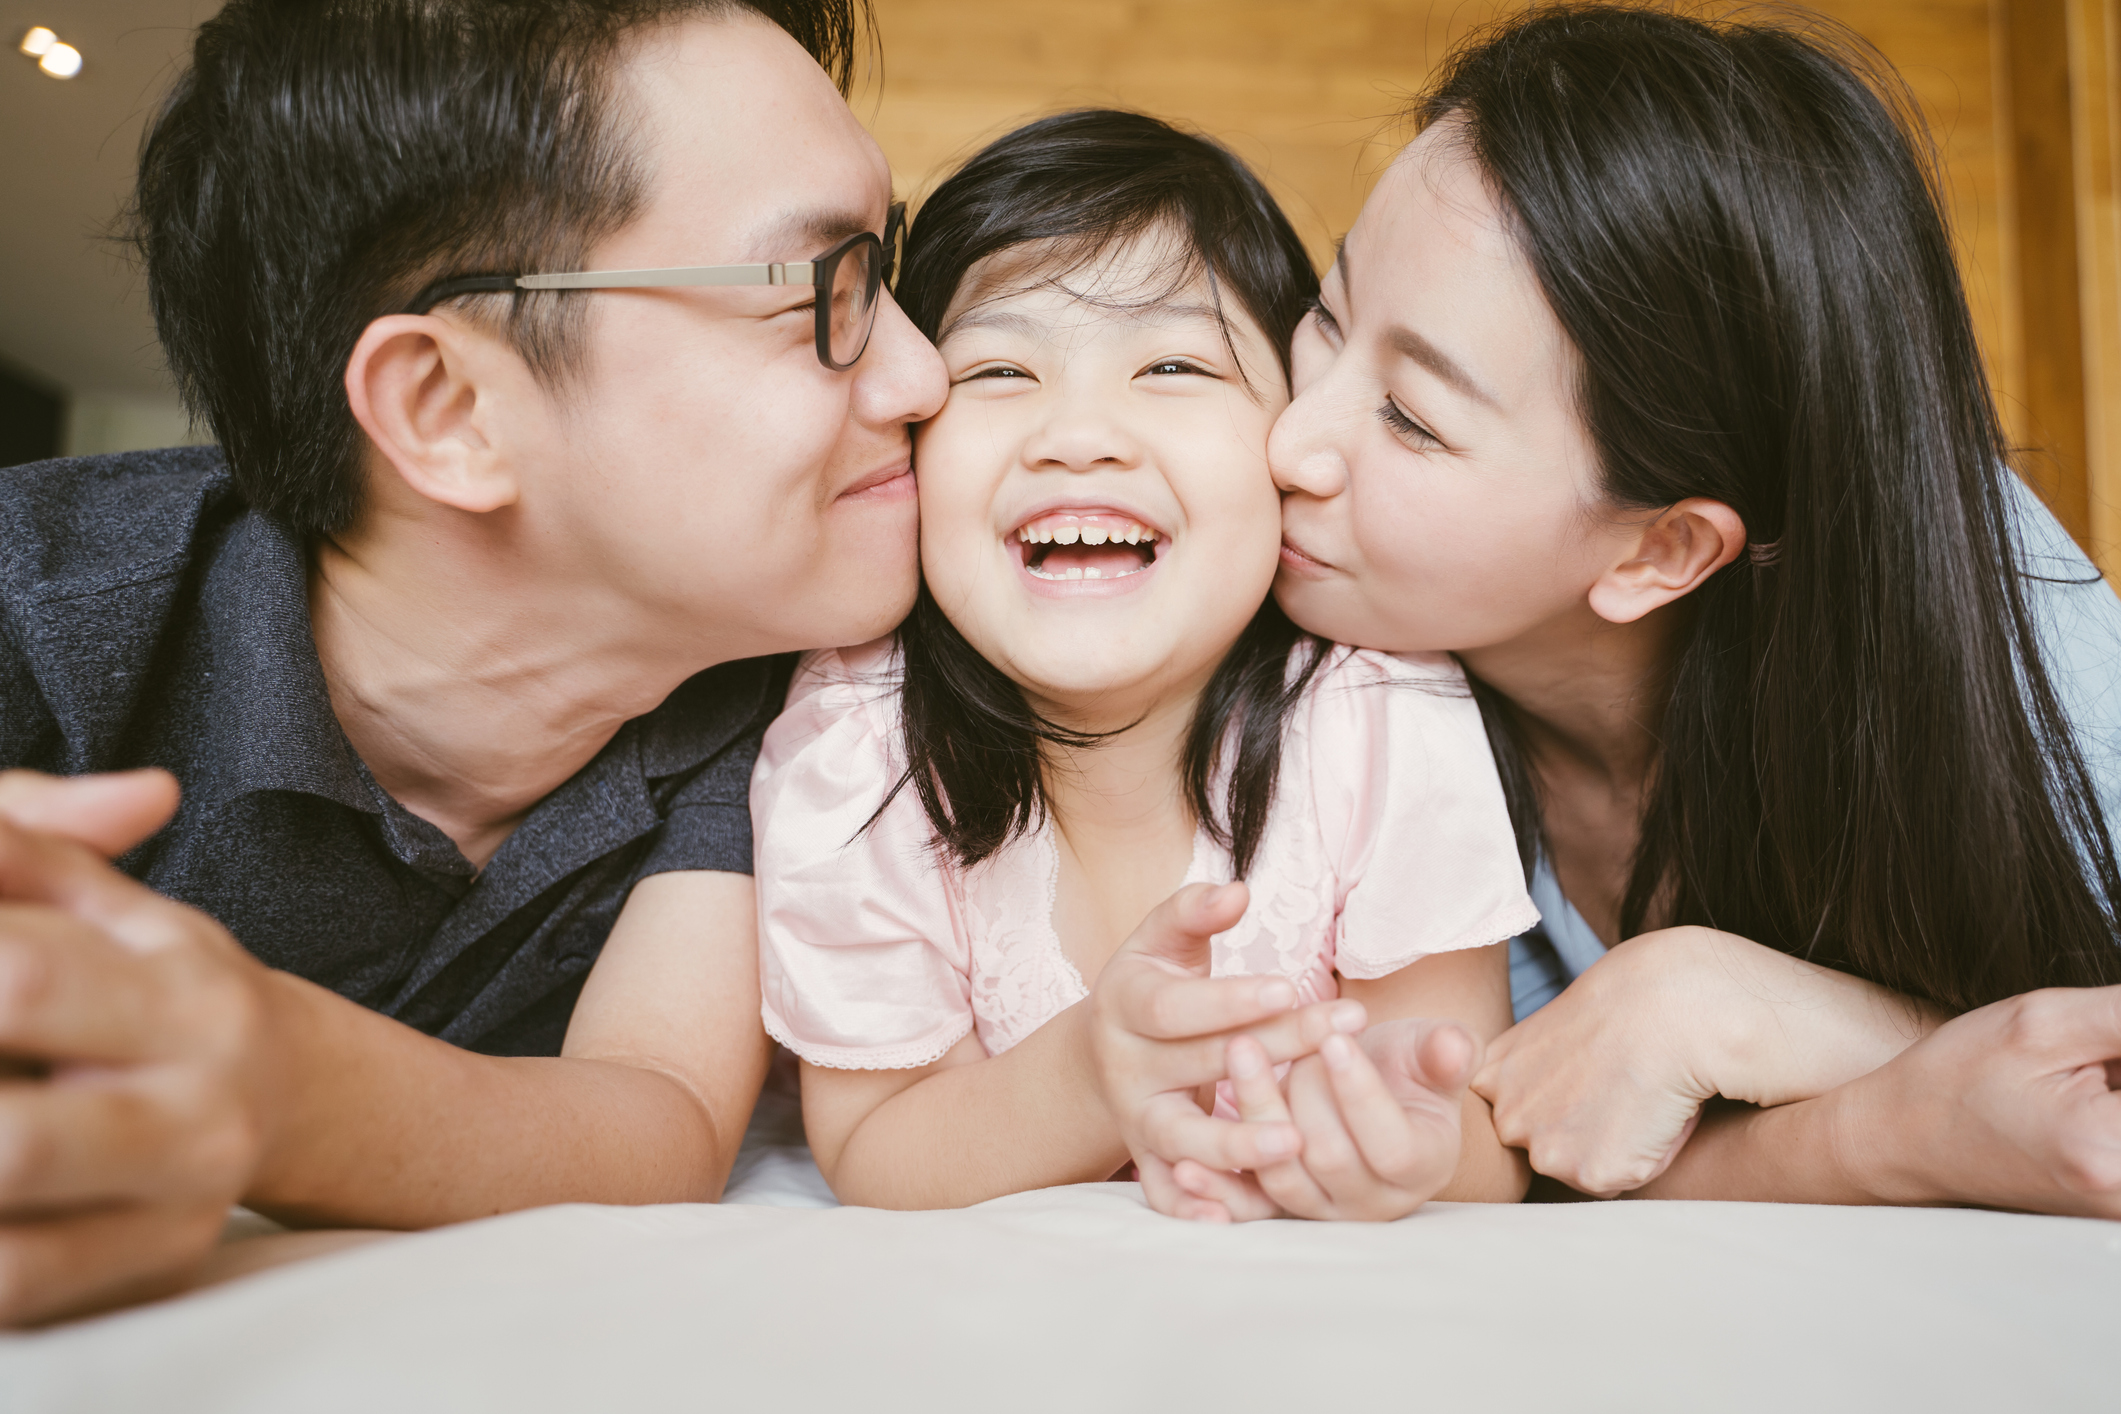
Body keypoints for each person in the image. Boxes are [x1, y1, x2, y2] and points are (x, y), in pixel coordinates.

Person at [0, 0, 953, 1326]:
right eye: (823, 293)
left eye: (891, 268)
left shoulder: (780, 690)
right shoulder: (40, 617)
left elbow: (659, 1116)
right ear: (449, 410)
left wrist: (279, 1081)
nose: (924, 372)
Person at [1154, 2, 2121, 1220]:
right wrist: (1888, 1119)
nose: (1289, 441)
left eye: (1410, 417)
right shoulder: (1303, 641)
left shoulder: (2002, 627)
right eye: (1329, 317)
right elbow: (1545, 1160)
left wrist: (1739, 1006)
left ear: (1665, 549)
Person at [751, 111, 1538, 1219]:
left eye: (1172, 364)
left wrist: (1402, 1150)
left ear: (1291, 446)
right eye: (999, 369)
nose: (1079, 433)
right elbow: (877, 1151)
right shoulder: (857, 749)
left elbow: (1468, 1118)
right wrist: (1088, 1078)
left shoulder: (1379, 713)